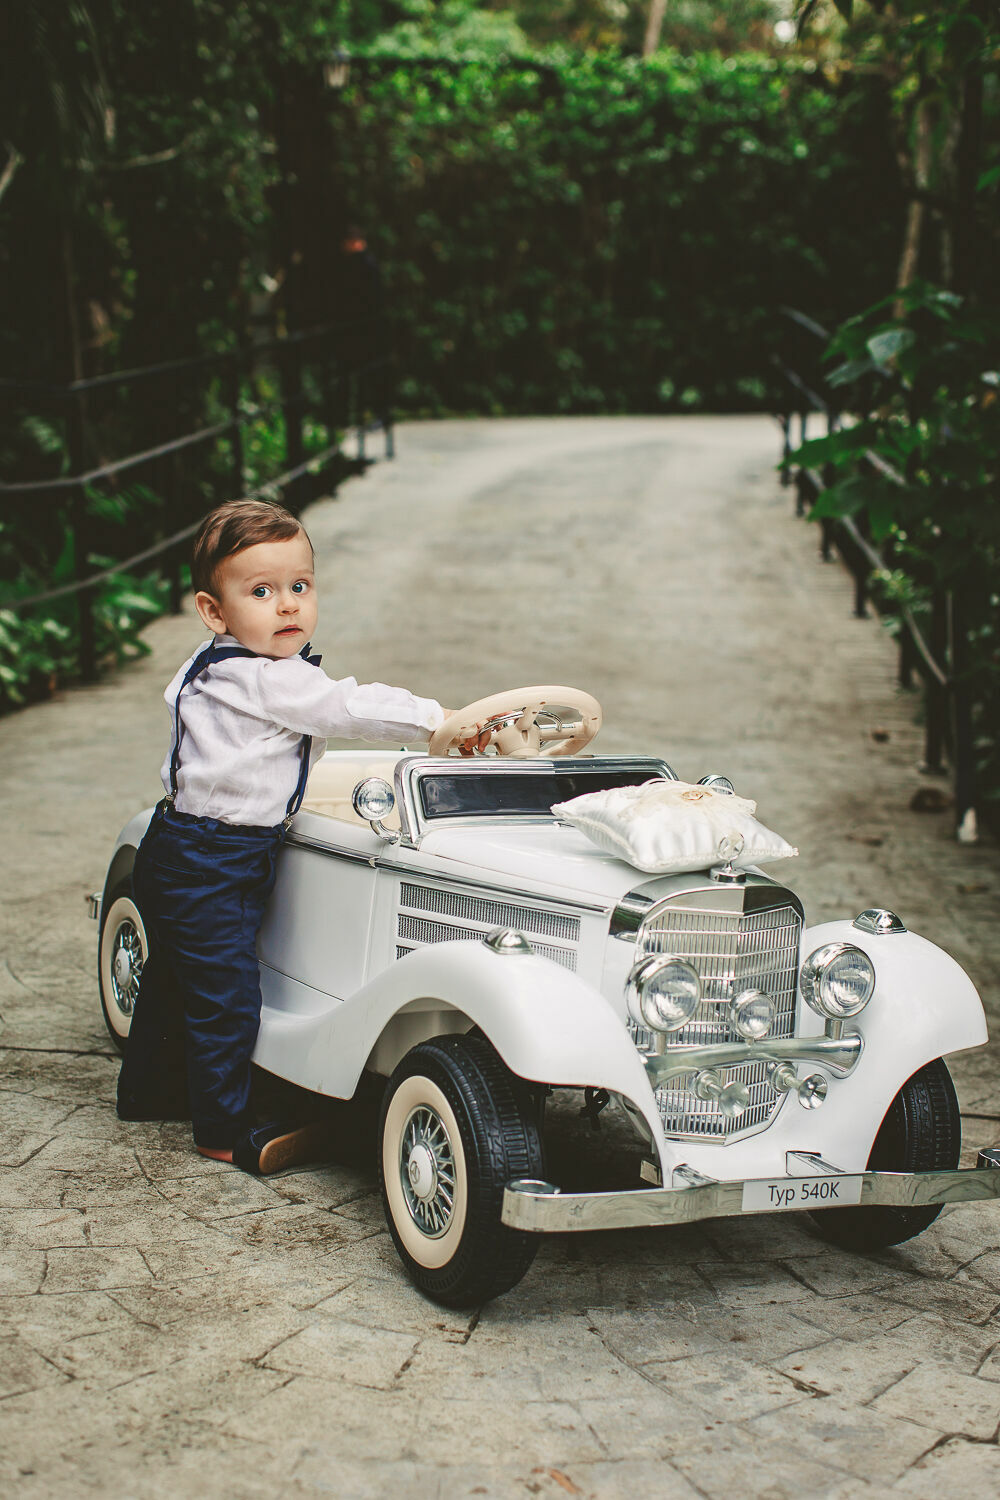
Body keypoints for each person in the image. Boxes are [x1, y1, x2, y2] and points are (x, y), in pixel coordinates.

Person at [116, 498, 454, 1175]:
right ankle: (221, 1126)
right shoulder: (267, 678)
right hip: (215, 857)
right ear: (215, 611)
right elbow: (348, 704)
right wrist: (439, 721)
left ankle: (148, 1090)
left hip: (180, 842)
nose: (288, 606)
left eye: (299, 586)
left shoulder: (217, 663)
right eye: (261, 592)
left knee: (178, 976)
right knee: (229, 996)